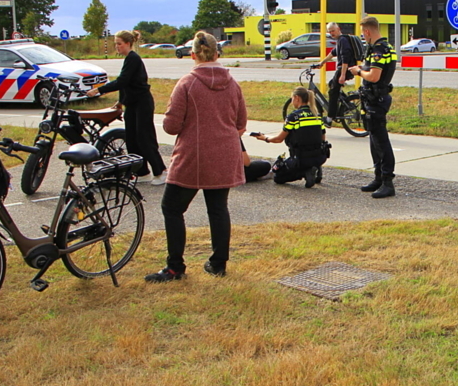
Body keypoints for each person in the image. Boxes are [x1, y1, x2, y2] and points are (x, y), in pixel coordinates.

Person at [145, 31, 247, 282]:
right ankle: (218, 263)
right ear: (217, 53)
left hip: (193, 155)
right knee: (218, 209)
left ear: (192, 55)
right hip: (224, 153)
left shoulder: (187, 83)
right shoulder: (233, 84)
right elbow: (241, 123)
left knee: (172, 208)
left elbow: (171, 126)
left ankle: (175, 267)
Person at [85, 30, 166, 184]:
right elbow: (127, 84)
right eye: (116, 44)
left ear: (128, 44)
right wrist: (122, 101)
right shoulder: (128, 59)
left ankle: (160, 171)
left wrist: (99, 89)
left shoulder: (133, 58)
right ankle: (142, 172)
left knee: (144, 137)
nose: (117, 47)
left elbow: (122, 81)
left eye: (119, 44)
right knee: (132, 138)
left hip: (142, 103)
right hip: (132, 103)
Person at [347, 16, 396, 198]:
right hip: (374, 99)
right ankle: (378, 178)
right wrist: (363, 67)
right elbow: (376, 70)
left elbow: (374, 76)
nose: (363, 37)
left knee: (381, 142)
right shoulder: (385, 47)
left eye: (363, 34)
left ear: (367, 31)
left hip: (377, 100)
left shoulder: (378, 50)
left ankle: (387, 182)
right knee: (374, 141)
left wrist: (359, 71)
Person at [254, 87, 328, 188]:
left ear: (297, 98)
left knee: (278, 177)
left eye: (292, 99)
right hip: (319, 157)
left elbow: (279, 139)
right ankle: (314, 167)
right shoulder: (317, 116)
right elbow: (322, 138)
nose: (292, 102)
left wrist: (265, 138)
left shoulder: (293, 117)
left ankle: (305, 171)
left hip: (300, 158)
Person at [320, 22, 358, 126]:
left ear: (338, 29)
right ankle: (345, 102)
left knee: (333, 92)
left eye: (333, 30)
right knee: (332, 84)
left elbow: (345, 58)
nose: (331, 33)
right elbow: (333, 53)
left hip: (344, 69)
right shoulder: (341, 40)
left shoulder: (342, 40)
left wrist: (342, 75)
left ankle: (329, 118)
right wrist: (321, 63)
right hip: (346, 69)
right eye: (329, 31)